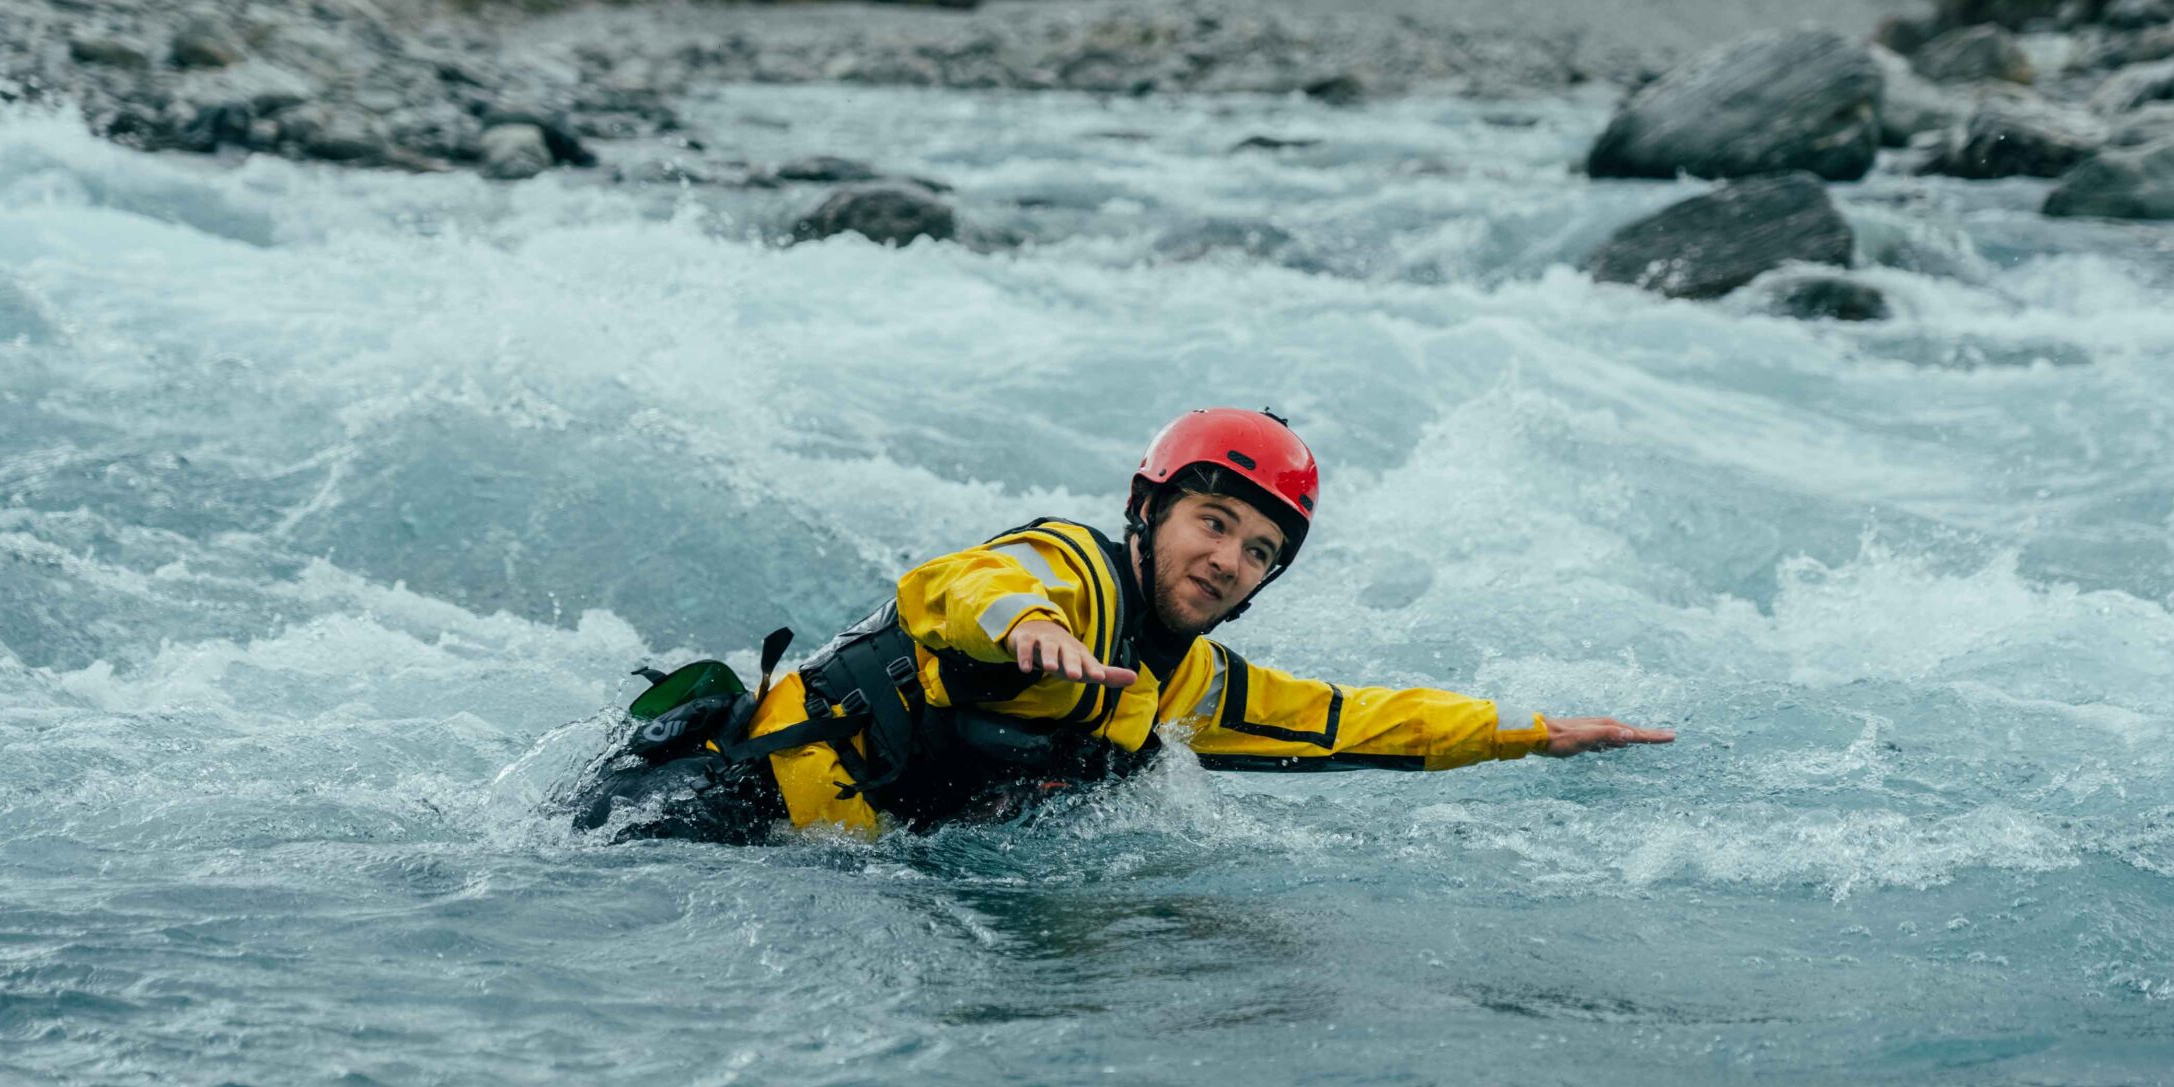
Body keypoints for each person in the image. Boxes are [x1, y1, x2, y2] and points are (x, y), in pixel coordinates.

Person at [571, 407, 1672, 842]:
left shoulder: (1180, 683)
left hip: (802, 868)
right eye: (1212, 519)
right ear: (1146, 510)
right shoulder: (1070, 577)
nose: (1228, 559)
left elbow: (1351, 720)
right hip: (705, 804)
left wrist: (1525, 731)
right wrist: (1025, 628)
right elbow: (957, 582)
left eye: (1258, 552)